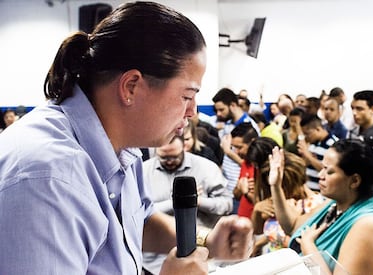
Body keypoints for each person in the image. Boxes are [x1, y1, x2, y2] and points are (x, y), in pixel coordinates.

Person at [0, 2, 253, 274]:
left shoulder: (122, 147)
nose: (192, 111)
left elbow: (137, 224)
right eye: (187, 96)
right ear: (131, 86)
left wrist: (207, 241)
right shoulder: (45, 179)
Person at [269, 139, 373, 274]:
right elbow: (292, 227)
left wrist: (308, 246)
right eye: (322, 168)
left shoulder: (370, 225)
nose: (321, 175)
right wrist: (276, 186)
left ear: (354, 180)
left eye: (329, 171)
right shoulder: (336, 203)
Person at [142, 136, 233, 274]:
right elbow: (138, 212)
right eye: (164, 157)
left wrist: (200, 202)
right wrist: (175, 203)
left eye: (174, 156)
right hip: (156, 263)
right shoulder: (142, 172)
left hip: (205, 258)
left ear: (184, 146)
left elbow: (227, 204)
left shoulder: (207, 167)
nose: (170, 161)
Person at [245, 137, 324, 255]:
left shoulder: (313, 206)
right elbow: (259, 229)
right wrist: (257, 210)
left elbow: (297, 243)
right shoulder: (281, 199)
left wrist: (290, 225)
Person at [298, 114, 338, 191]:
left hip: (323, 193)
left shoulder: (334, 145)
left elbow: (329, 171)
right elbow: (306, 165)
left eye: (307, 133)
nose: (306, 137)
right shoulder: (312, 144)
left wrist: (308, 155)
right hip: (310, 190)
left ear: (318, 129)